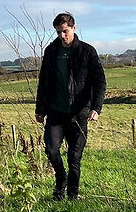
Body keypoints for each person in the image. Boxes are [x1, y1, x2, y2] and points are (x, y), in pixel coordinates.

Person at [34, 12, 106, 201]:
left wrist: (96, 108)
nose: (61, 36)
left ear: (74, 28)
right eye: (58, 32)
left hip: (79, 114)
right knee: (51, 150)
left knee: (74, 157)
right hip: (55, 113)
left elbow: (100, 82)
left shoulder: (87, 52)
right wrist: (40, 109)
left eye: (65, 31)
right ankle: (61, 179)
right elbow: (44, 82)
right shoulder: (51, 51)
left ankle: (72, 196)